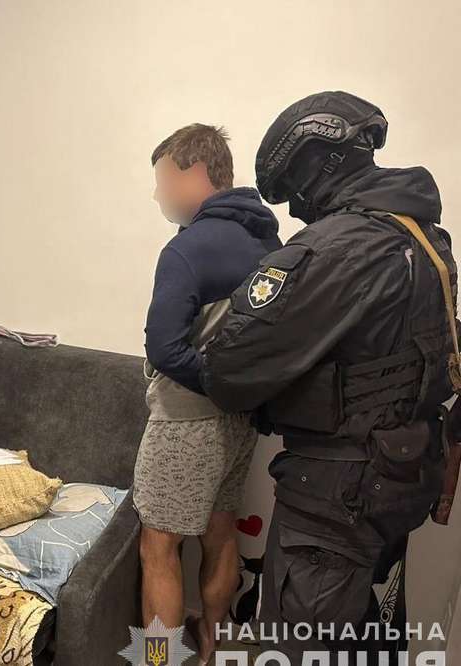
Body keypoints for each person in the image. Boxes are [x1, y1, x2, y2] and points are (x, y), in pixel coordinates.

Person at [202, 91, 454, 659]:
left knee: (301, 644)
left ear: (323, 159)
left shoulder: (338, 247)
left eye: (295, 186)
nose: (296, 209)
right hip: (398, 475)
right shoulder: (424, 238)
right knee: (368, 636)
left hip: (334, 500)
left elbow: (228, 369)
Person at [136, 124, 281, 662]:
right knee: (220, 533)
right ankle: (210, 646)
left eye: (163, 180)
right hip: (241, 422)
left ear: (194, 172)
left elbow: (164, 348)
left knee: (158, 547)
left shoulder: (187, 249)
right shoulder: (268, 244)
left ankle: (159, 661)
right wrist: (239, 391)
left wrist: (219, 385)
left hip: (185, 420)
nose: (158, 194)